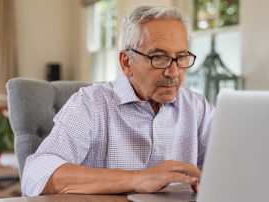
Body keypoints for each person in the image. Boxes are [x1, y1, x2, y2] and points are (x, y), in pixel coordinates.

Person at [21, 5, 215, 196]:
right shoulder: (90, 103)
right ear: (126, 62)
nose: (173, 72)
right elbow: (36, 175)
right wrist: (139, 178)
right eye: (159, 57)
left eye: (181, 57)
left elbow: (237, 159)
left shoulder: (196, 107)